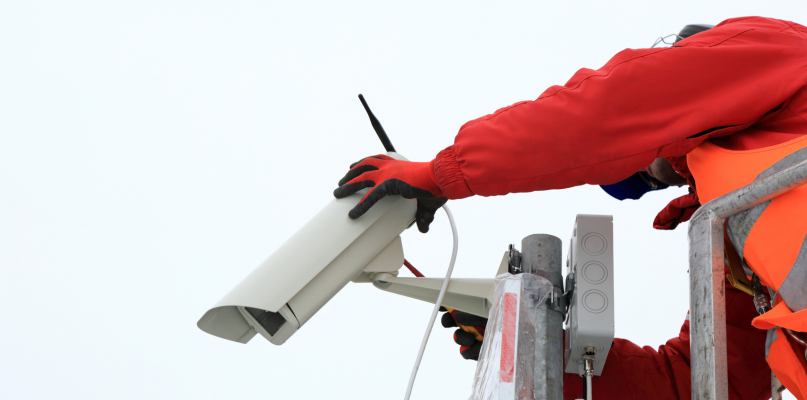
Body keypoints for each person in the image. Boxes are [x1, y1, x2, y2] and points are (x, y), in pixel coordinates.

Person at [333, 16, 807, 399]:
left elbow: (609, 110)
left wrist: (438, 175)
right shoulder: (742, 231)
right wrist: (541, 353)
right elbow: (706, 381)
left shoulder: (774, 49)